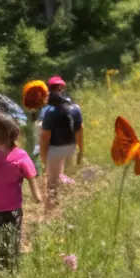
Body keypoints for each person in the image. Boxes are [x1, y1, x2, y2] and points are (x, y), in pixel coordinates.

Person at [0, 110, 41, 272]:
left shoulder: (20, 155)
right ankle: (2, 271)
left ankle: (12, 271)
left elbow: (31, 175)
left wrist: (37, 195)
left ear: (1, 133)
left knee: (12, 240)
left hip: (12, 209)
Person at [38, 75, 83, 205]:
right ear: (62, 88)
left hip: (56, 149)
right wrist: (80, 150)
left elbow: (45, 136)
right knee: (67, 175)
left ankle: (52, 208)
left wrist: (43, 156)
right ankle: (72, 202)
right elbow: (80, 131)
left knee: (52, 182)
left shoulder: (49, 111)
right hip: (71, 147)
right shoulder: (75, 108)